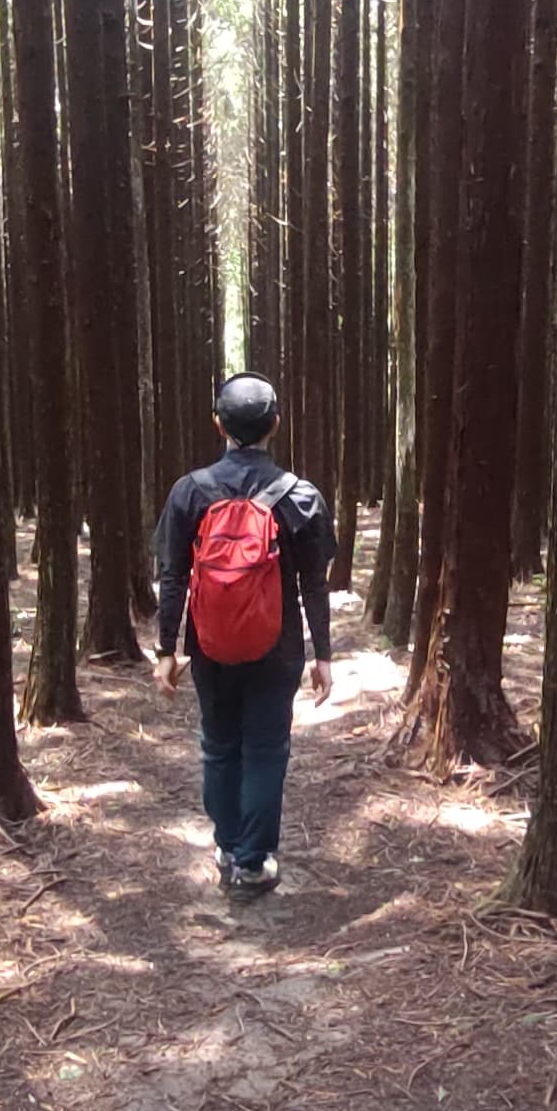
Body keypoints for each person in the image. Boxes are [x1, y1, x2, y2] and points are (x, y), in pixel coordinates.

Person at [153, 374, 335, 896]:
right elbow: (314, 583)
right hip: (277, 646)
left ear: (219, 424)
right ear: (275, 424)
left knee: (218, 745)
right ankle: (254, 863)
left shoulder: (189, 492)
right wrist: (323, 654)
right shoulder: (299, 497)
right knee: (266, 747)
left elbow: (173, 576)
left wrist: (168, 649)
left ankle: (228, 846)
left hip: (208, 643)